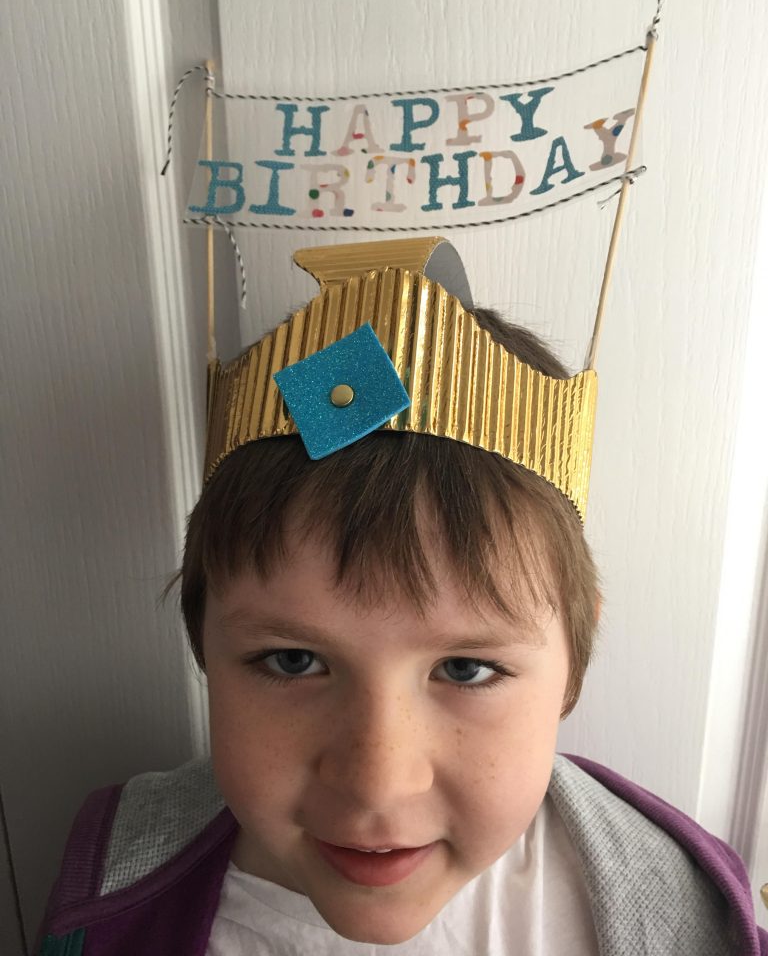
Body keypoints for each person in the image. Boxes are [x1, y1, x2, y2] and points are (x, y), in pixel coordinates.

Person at [36, 239, 767, 955]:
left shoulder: (689, 916)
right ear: (203, 643)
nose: (376, 785)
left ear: (573, 665)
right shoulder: (106, 880)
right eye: (292, 660)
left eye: (466, 669)